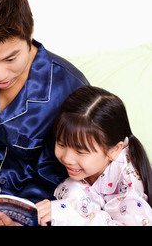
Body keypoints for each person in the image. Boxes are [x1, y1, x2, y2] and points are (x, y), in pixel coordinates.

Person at [0, 0, 89, 225]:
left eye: (11, 58)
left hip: (40, 211)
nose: (0, 75)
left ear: (30, 32)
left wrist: (25, 216)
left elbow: (78, 173)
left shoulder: (70, 89)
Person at [36, 86, 152, 226]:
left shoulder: (129, 183)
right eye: (61, 144)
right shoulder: (78, 170)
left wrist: (68, 216)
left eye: (80, 151)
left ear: (114, 150)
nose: (67, 158)